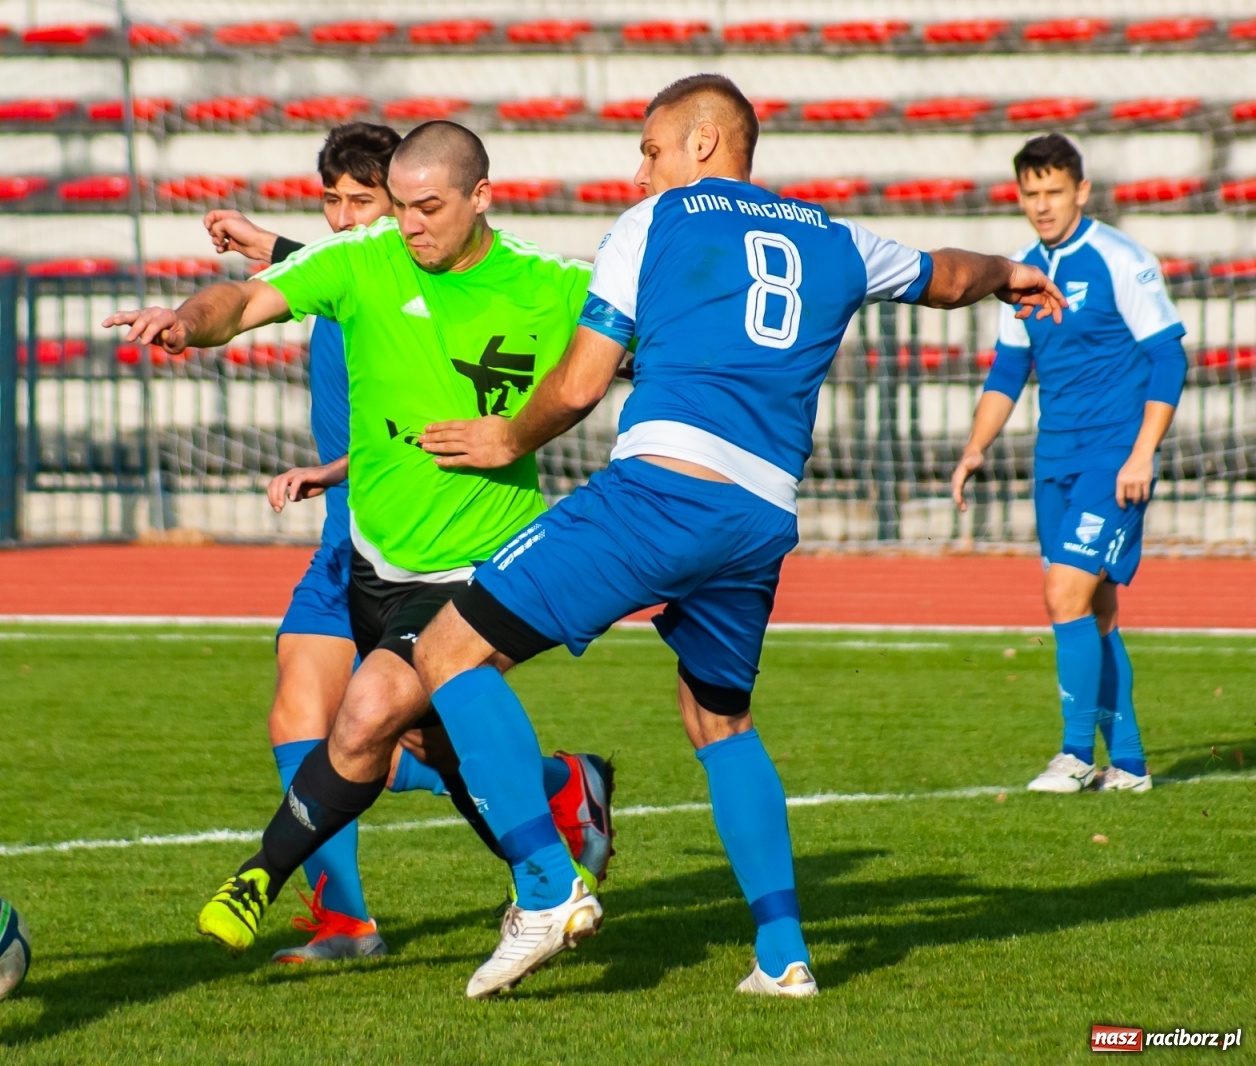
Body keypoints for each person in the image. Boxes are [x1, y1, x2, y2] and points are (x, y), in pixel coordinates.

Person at [409, 74, 1067, 998]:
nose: (637, 169)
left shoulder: (655, 222)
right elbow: (947, 275)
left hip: (662, 493)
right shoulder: (834, 236)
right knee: (718, 719)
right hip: (759, 518)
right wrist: (1012, 270)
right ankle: (783, 954)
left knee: (446, 652)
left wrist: (508, 437)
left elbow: (582, 383)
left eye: (649, 148)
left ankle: (547, 886)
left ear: (705, 144)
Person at [103, 121, 613, 963]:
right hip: (371, 559)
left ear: (481, 197)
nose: (407, 227)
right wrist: (188, 322)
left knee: (369, 711)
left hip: (484, 571)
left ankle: (264, 883)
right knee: (421, 738)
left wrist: (519, 431)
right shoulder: (361, 263)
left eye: (425, 209)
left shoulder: (548, 283)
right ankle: (558, 837)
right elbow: (242, 300)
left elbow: (630, 347)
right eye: (398, 209)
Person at [200, 122, 458, 964]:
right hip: (342, 539)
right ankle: (345, 920)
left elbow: (412, 424)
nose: (346, 219)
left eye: (365, 201)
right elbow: (348, 263)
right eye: (333, 201)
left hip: (411, 542)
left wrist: (331, 468)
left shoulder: (414, 294)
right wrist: (277, 246)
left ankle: (562, 791)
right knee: (300, 714)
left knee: (404, 740)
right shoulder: (347, 268)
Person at [951, 133, 1187, 794]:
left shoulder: (1119, 258)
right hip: (1053, 461)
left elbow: (1169, 357)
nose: (1042, 206)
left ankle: (1075, 754)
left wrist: (1143, 453)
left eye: (1054, 192)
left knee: (1063, 596)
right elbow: (1008, 368)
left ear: (1081, 191)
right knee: (1097, 612)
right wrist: (975, 447)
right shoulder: (1022, 271)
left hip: (1113, 460)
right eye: (1031, 194)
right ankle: (1132, 765)